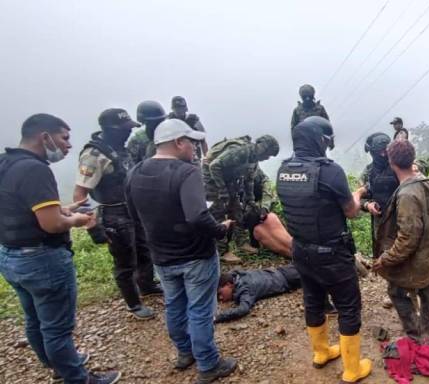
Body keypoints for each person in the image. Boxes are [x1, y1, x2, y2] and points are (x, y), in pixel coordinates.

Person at [0, 114, 121, 384]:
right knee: (56, 328)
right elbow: (52, 224)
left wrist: (64, 209)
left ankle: (55, 363)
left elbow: (20, 208)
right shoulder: (35, 169)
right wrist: (76, 220)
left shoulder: (6, 162)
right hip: (41, 258)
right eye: (64, 138)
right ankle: (77, 378)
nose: (68, 145)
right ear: (45, 137)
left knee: (34, 319)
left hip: (11, 255)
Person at [125, 119, 238, 383]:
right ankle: (208, 364)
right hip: (195, 255)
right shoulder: (186, 172)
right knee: (200, 309)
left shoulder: (136, 172)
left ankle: (185, 354)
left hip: (162, 257)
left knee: (174, 305)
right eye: (192, 142)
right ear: (178, 142)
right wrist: (221, 229)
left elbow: (134, 215)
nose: (196, 148)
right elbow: (197, 216)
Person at [275, 116, 371, 383]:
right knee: (349, 307)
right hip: (332, 254)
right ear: (320, 140)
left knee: (313, 301)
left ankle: (321, 353)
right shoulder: (330, 171)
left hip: (301, 250)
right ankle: (352, 369)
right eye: (327, 141)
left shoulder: (283, 170)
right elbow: (350, 212)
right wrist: (358, 194)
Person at [73, 109, 161, 320]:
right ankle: (133, 304)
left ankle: (147, 285)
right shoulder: (94, 155)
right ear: (110, 130)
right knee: (125, 261)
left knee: (144, 249)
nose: (129, 133)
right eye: (124, 130)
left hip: (134, 208)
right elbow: (80, 194)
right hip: (114, 213)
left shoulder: (122, 150)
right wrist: (92, 226)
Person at [372, 140, 429, 342]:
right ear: (412, 160)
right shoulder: (424, 182)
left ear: (391, 162)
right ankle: (427, 332)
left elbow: (408, 239)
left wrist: (385, 259)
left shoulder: (407, 195)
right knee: (427, 292)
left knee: (396, 291)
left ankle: (416, 335)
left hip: (417, 256)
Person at [203, 135, 279, 263]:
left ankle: (242, 243)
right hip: (213, 181)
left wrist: (250, 199)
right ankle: (222, 251)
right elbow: (214, 166)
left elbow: (249, 181)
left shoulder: (253, 159)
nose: (267, 158)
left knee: (237, 211)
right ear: (263, 148)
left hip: (229, 182)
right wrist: (222, 190)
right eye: (268, 154)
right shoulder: (241, 151)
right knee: (219, 212)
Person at [214, 265, 302, 323]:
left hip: (288, 279)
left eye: (220, 293)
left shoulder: (245, 289)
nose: (221, 298)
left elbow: (243, 309)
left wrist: (218, 317)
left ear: (228, 285)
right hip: (283, 271)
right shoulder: (237, 275)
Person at [359, 132, 399, 257]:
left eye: (385, 151)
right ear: (372, 152)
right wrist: (367, 205)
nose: (383, 155)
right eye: (379, 152)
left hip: (400, 218)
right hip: (380, 220)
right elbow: (359, 197)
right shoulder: (368, 172)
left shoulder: (399, 166)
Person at [168, 96, 208, 161]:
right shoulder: (169, 121)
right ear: (173, 109)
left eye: (180, 108)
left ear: (185, 109)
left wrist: (206, 158)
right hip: (175, 156)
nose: (178, 111)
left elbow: (203, 140)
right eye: (176, 108)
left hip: (193, 156)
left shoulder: (193, 120)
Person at [126, 100, 166, 164]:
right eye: (154, 123)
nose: (158, 125)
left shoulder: (170, 135)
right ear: (145, 123)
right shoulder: (137, 140)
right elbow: (131, 167)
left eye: (160, 121)